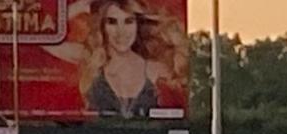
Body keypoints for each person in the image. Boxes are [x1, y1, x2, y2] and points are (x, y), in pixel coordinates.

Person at [44, 0, 188, 119]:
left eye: (129, 21)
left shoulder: (155, 69)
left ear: (138, 25)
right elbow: (45, 38)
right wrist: (83, 5)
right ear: (102, 26)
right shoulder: (90, 58)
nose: (121, 32)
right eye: (112, 22)